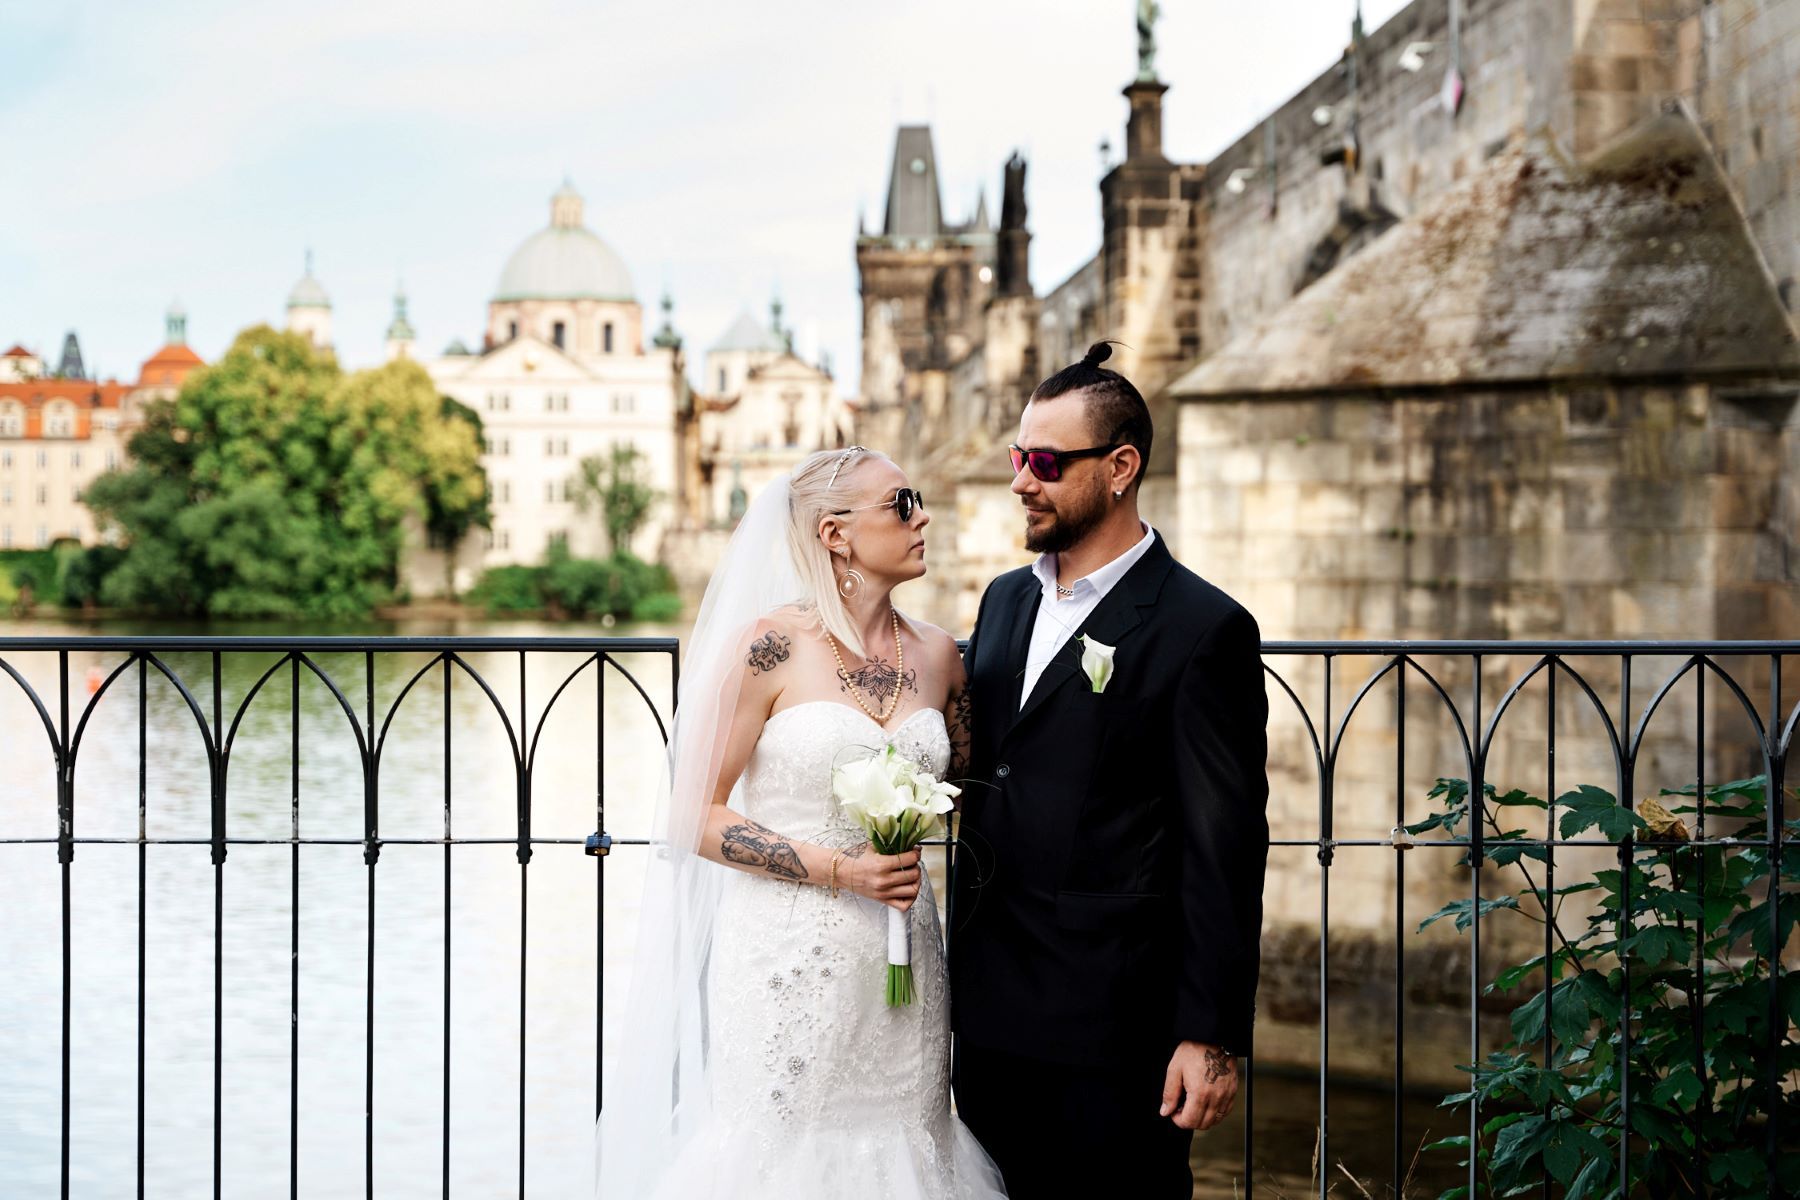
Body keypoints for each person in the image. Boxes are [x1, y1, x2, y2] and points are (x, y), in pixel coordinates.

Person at [596, 446, 1006, 1199]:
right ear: (835, 534)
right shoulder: (768, 647)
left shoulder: (942, 655)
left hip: (906, 957)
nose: (924, 517)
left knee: (911, 1149)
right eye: (902, 502)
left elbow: (975, 787)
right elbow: (692, 816)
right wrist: (839, 869)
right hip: (785, 960)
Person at [951, 342, 1270, 1199]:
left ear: (1121, 466)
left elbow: (1224, 850)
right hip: (980, 1017)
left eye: (1046, 462)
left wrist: (1209, 1036)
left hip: (1108, 1033)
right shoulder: (1004, 599)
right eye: (1019, 458)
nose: (1021, 480)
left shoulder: (1203, 629)